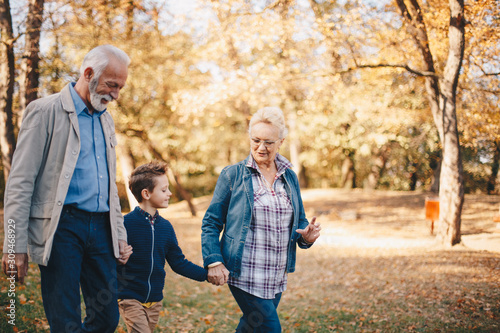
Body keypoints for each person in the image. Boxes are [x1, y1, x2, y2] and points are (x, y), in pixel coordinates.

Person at [2, 44, 133, 333]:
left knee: (107, 318)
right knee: (65, 319)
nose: (116, 95)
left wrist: (119, 234)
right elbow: (20, 183)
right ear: (88, 74)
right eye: (112, 85)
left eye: (120, 87)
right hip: (62, 228)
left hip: (101, 229)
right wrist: (14, 247)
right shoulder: (44, 111)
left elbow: (110, 186)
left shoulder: (107, 121)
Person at [201, 107, 321, 332]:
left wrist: (307, 236)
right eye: (256, 140)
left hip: (276, 274)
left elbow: (300, 221)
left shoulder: (289, 176)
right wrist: (214, 260)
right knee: (271, 329)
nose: (261, 147)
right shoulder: (233, 175)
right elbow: (211, 222)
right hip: (244, 272)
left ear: (280, 142)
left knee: (250, 327)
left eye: (268, 142)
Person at [117, 162, 208, 333]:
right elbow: (110, 257)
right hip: (130, 297)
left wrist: (206, 275)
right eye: (164, 190)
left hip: (155, 300)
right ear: (146, 193)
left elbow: (178, 262)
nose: (170, 193)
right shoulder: (125, 224)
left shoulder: (165, 227)